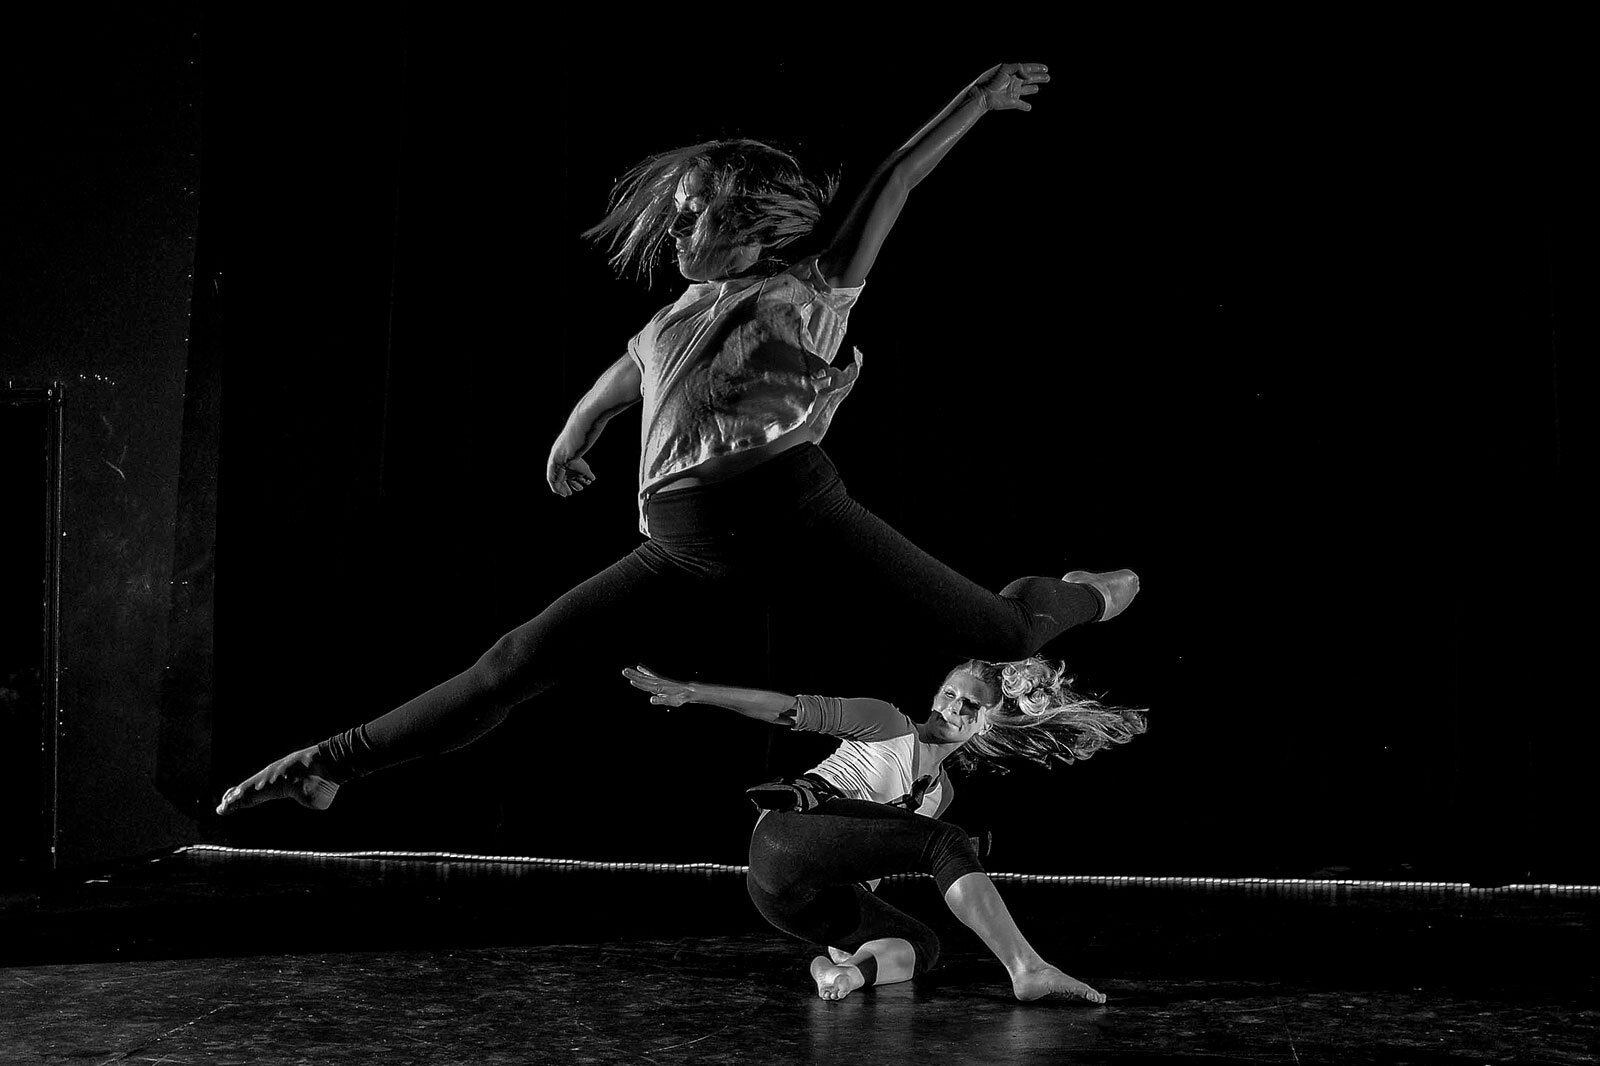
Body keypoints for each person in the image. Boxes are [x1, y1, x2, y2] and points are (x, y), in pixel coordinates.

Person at [217, 61, 1139, 817]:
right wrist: (577, 429)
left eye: (695, 212)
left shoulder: (810, 288)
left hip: (789, 506)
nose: (678, 226)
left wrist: (975, 100)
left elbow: (895, 178)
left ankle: (1087, 592)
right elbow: (628, 374)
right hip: (685, 543)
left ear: (745, 224)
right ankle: (331, 764)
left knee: (1007, 634)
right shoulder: (671, 319)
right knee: (513, 663)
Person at [623, 657, 1146, 1003]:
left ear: (988, 720)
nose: (953, 708)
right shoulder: (886, 723)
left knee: (922, 943)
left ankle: (841, 975)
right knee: (948, 844)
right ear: (935, 693)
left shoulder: (941, 794)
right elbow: (787, 709)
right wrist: (695, 691)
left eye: (971, 704)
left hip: (788, 900)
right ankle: (1026, 968)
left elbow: (872, 860)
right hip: (786, 838)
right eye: (948, 693)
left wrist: (848, 940)